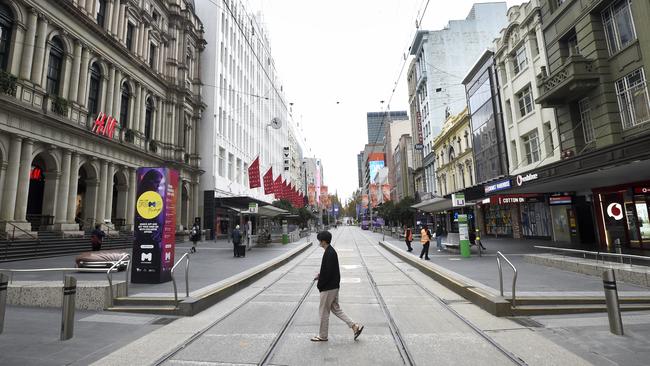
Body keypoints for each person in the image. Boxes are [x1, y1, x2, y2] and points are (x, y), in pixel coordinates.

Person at [311, 231, 364, 342]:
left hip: (328, 288)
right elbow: (329, 270)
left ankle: (322, 336)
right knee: (336, 309)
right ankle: (354, 326)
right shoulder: (330, 251)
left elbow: (329, 272)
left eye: (319, 240)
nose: (319, 243)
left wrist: (320, 285)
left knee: (323, 312)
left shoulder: (329, 253)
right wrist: (320, 275)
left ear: (324, 241)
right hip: (334, 287)